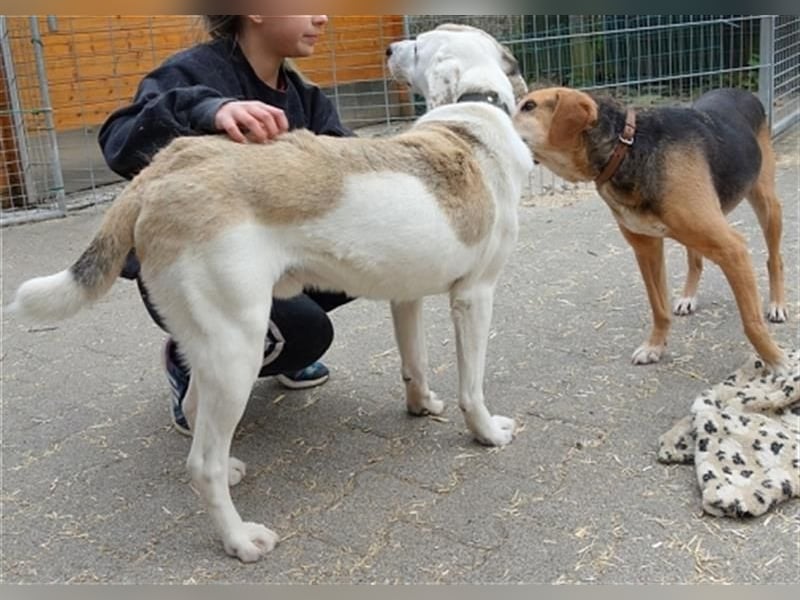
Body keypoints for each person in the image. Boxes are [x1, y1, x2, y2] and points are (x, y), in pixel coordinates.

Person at [98, 15, 353, 435]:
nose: (321, 15)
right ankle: (190, 357)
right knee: (307, 334)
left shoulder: (305, 97)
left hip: (269, 257)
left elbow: (348, 164)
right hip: (193, 267)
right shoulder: (193, 71)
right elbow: (119, 137)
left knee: (364, 261)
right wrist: (209, 110)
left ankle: (268, 342)